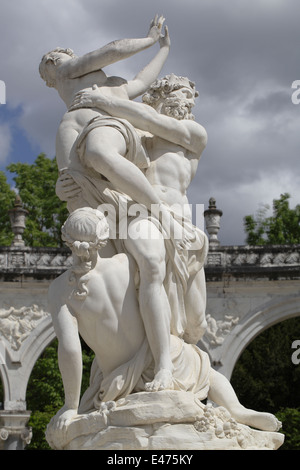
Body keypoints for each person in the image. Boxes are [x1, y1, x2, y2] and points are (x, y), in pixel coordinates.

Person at [43, 21, 192, 392]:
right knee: (120, 278)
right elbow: (140, 81)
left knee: (151, 262)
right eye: (50, 62)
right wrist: (64, 189)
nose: (55, 61)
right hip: (95, 200)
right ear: (49, 79)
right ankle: (130, 366)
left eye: (59, 57)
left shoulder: (100, 85)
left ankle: (164, 368)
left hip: (112, 148)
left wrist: (154, 43)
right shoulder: (69, 109)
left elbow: (113, 53)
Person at [47, 207, 281, 435]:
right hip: (161, 354)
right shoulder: (124, 263)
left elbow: (70, 349)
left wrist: (71, 406)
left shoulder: (59, 290)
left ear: (67, 239)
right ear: (103, 237)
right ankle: (237, 409)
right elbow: (153, 293)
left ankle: (236, 409)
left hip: (118, 379)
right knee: (201, 365)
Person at [67, 73, 209, 345]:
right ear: (159, 95)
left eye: (191, 96)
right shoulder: (133, 135)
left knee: (196, 325)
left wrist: (101, 99)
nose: (190, 101)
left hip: (183, 226)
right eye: (182, 93)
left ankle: (183, 365)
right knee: (146, 277)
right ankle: (155, 359)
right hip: (139, 215)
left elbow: (152, 120)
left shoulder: (194, 134)